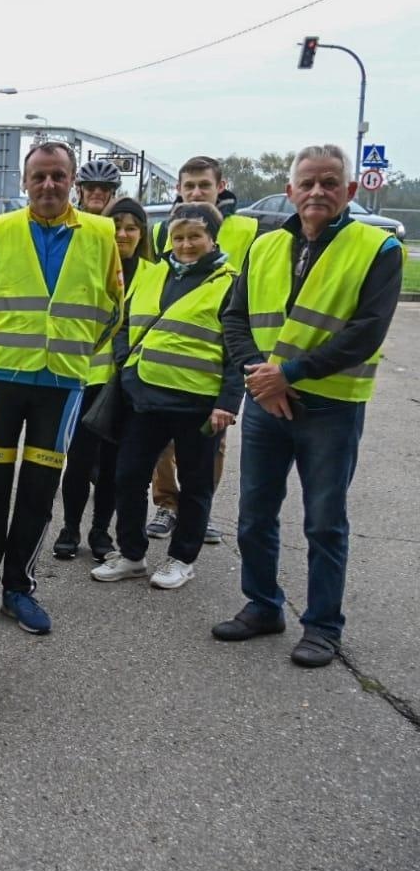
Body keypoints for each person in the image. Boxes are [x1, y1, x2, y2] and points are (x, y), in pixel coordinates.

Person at [213, 144, 402, 667]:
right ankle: (263, 604)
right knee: (254, 515)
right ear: (291, 190)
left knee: (323, 521)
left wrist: (287, 375)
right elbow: (235, 317)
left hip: (331, 407)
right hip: (266, 402)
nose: (317, 191)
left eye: (329, 182)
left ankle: (322, 626)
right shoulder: (265, 246)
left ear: (348, 190)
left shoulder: (377, 248)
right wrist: (259, 373)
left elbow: (365, 332)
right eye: (308, 183)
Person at [0, 141, 122, 636]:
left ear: (72, 180)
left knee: (38, 489)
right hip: (1, 378)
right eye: (40, 176)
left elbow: (113, 305)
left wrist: (75, 353)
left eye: (58, 176)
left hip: (62, 382)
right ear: (25, 182)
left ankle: (20, 586)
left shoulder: (100, 233)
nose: (49, 185)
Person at [92, 203, 241, 589]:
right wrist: (125, 365)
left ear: (212, 238)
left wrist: (228, 401)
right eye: (178, 237)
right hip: (145, 398)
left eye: (195, 236)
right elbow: (125, 324)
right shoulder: (154, 273)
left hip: (199, 403)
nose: (186, 244)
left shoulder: (230, 282)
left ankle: (181, 558)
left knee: (195, 484)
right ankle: (132, 554)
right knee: (127, 477)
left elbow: (240, 350)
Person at [146, 155, 261, 545]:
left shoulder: (246, 229)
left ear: (220, 186)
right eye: (189, 186)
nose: (196, 193)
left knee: (212, 441)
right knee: (161, 441)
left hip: (218, 345)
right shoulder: (164, 231)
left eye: (204, 186)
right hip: (169, 349)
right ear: (178, 189)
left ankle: (199, 508)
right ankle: (166, 504)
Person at [53, 195, 154, 561]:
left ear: (143, 233)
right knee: (79, 459)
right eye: (116, 227)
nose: (123, 235)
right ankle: (70, 528)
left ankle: (100, 531)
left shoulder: (154, 275)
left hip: (129, 382)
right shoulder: (91, 267)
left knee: (113, 464)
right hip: (88, 375)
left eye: (131, 228)